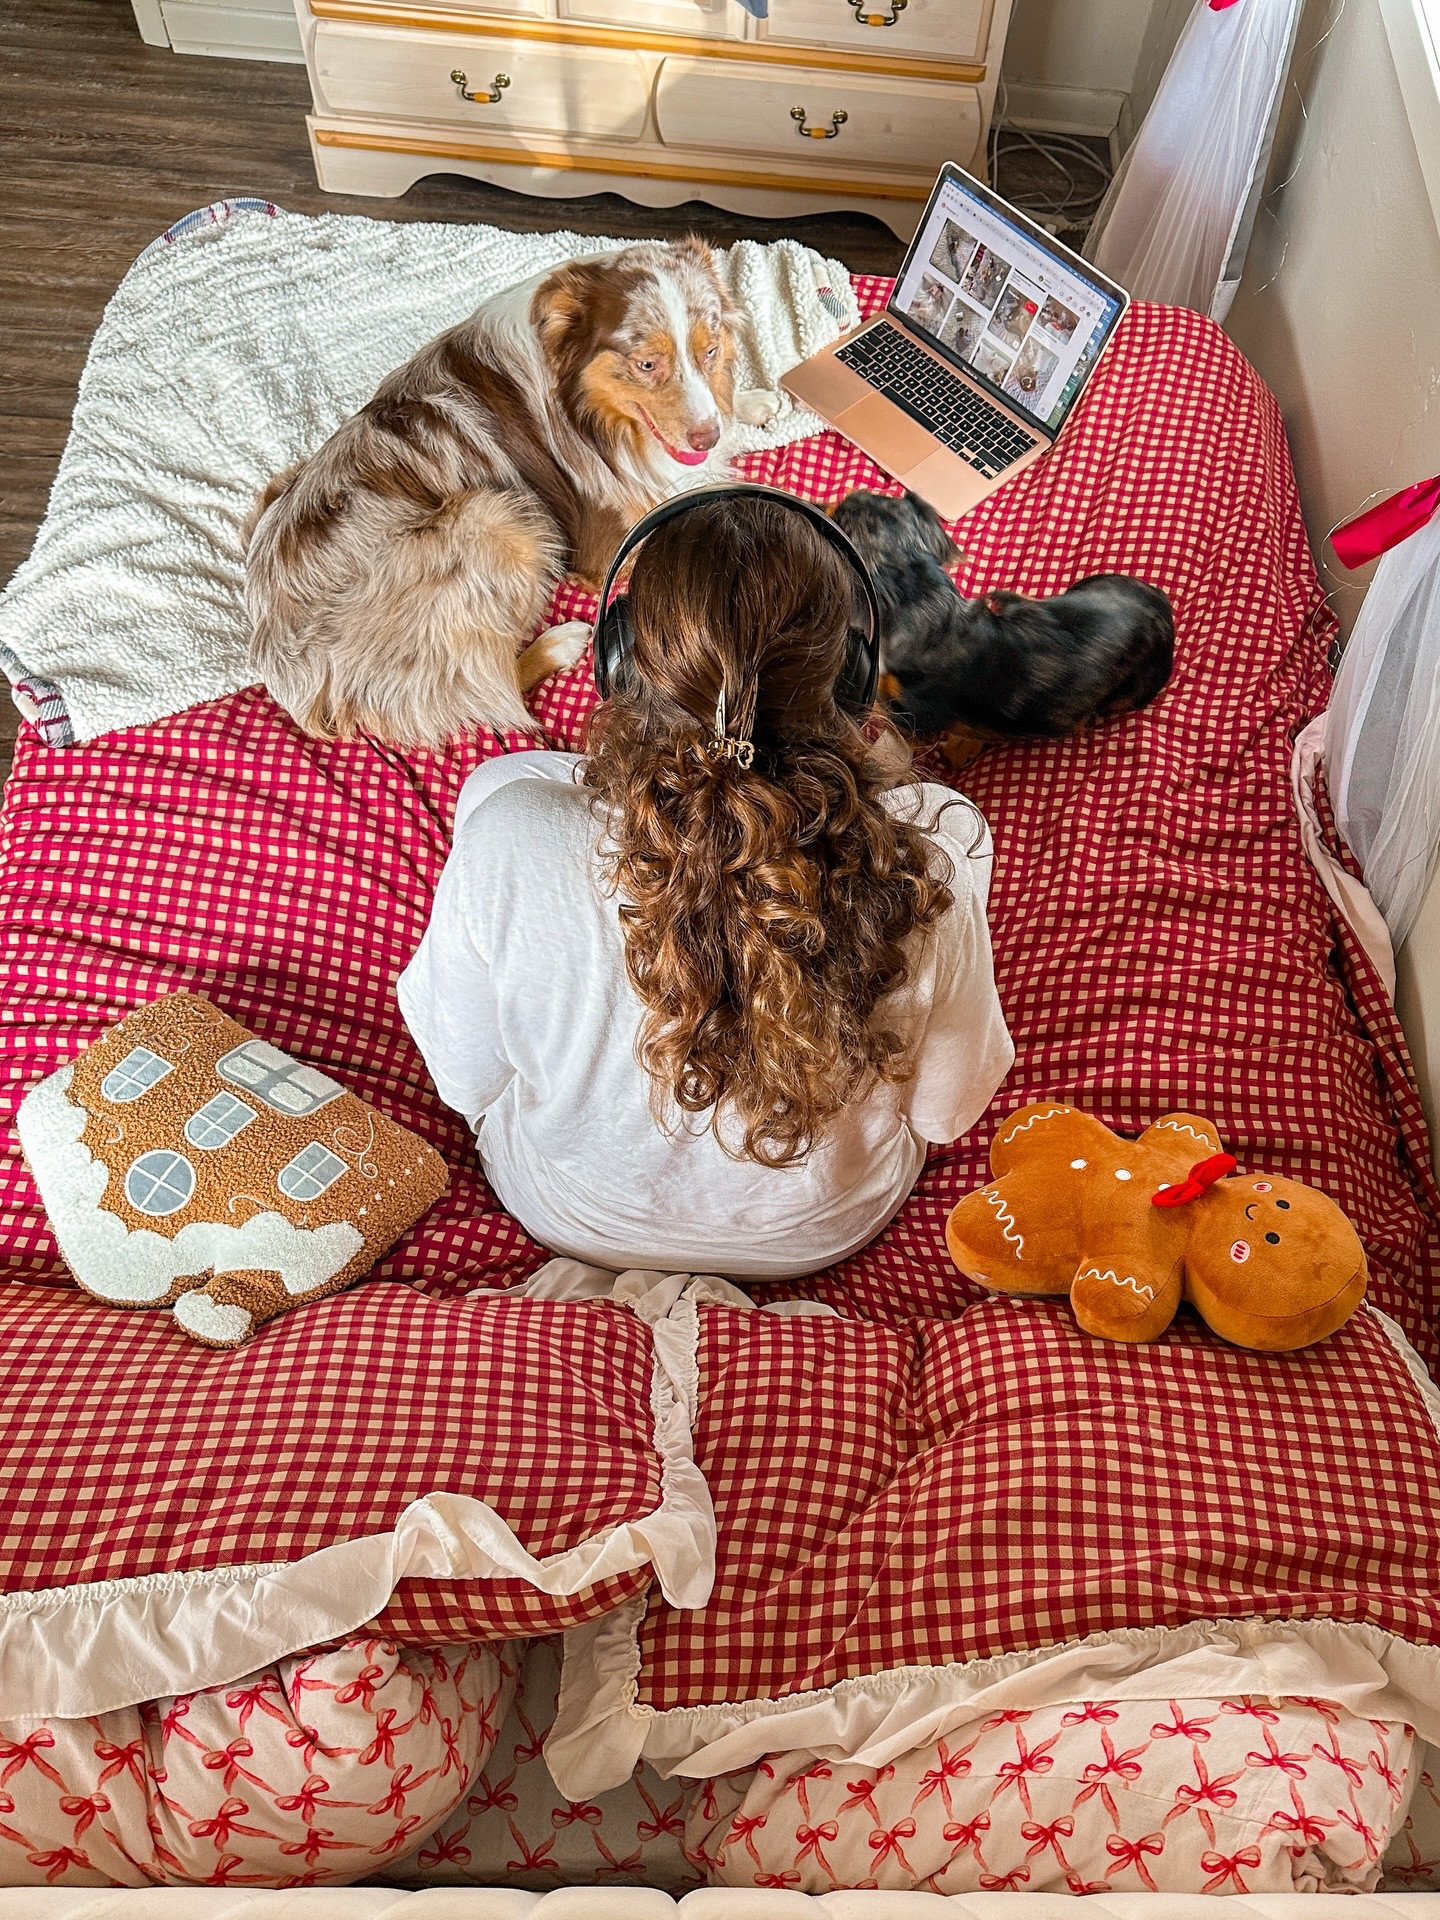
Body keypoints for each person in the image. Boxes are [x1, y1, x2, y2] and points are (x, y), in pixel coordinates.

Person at [397, 492, 1013, 1278]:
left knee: (504, 784)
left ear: (617, 662)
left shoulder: (509, 831)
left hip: (569, 1211)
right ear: (854, 680)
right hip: (818, 1232)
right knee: (935, 813)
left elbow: (466, 1079)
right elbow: (947, 1113)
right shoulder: (935, 855)